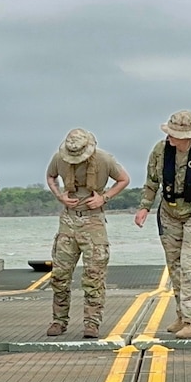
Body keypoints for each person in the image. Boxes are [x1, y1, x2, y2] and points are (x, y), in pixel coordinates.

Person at [134, 110, 191, 339]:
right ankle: (183, 315)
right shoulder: (160, 152)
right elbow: (152, 181)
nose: (170, 138)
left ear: (188, 137)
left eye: (175, 135)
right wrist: (144, 207)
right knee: (175, 266)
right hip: (170, 214)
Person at [44, 128, 130, 339]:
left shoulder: (104, 159)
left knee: (94, 276)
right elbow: (50, 176)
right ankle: (59, 320)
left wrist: (104, 197)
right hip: (68, 220)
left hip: (93, 222)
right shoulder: (59, 158)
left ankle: (92, 323)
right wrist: (59, 196)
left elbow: (124, 179)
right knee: (60, 275)